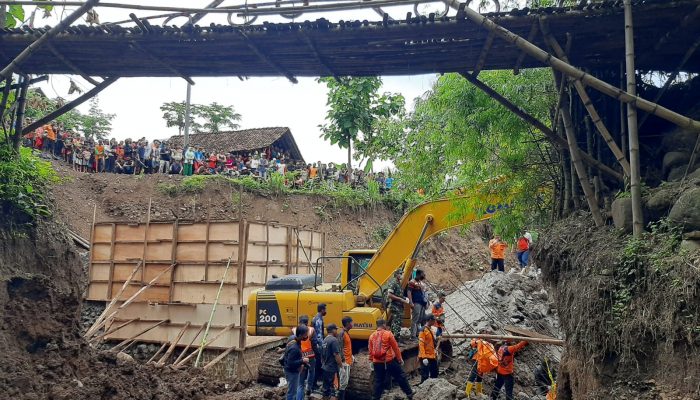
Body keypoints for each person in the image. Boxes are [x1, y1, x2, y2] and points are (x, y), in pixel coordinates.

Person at [368, 319, 413, 400]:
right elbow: (395, 348)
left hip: (377, 362)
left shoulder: (372, 336)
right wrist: (399, 359)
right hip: (388, 361)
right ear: (384, 324)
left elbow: (371, 350)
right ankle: (409, 393)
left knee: (378, 381)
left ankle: (375, 398)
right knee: (400, 376)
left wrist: (371, 360)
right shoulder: (388, 334)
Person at [294, 315, 318, 400]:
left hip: (300, 357)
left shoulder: (294, 330)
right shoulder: (311, 330)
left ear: (299, 322)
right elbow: (315, 344)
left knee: (300, 382)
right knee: (312, 371)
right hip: (311, 356)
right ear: (307, 322)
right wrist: (317, 354)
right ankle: (309, 388)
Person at [465, 329, 495, 399]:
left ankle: (478, 391)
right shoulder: (477, 338)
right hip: (476, 359)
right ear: (481, 333)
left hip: (482, 360)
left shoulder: (486, 340)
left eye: (487, 332)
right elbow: (472, 343)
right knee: (473, 374)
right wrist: (477, 341)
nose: (486, 334)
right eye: (485, 332)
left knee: (480, 375)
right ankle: (467, 392)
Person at [284, 325, 310, 400]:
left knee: (292, 391)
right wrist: (302, 360)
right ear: (300, 335)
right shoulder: (294, 348)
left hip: (292, 370)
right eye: (305, 334)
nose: (306, 336)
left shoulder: (293, 339)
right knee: (292, 393)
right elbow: (290, 363)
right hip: (292, 372)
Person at [386, 269, 410, 339]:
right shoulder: (393, 283)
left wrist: (404, 298)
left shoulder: (398, 283)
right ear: (396, 274)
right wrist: (400, 299)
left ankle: (397, 337)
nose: (401, 275)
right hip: (395, 305)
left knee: (398, 322)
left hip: (399, 305)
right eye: (400, 274)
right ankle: (395, 338)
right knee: (396, 322)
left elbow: (398, 294)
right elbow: (390, 295)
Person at [321, 324, 342, 400]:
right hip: (332, 368)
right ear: (333, 330)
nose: (337, 331)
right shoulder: (334, 340)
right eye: (336, 329)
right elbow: (336, 355)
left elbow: (322, 354)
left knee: (326, 389)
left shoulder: (325, 340)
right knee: (334, 390)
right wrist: (341, 366)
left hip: (325, 367)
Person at [407, 269, 428, 338]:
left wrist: (426, 302)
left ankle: (417, 334)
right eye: (422, 274)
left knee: (420, 319)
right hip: (416, 303)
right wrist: (411, 302)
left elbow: (424, 293)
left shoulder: (421, 283)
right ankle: (413, 336)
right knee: (415, 319)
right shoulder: (412, 282)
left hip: (422, 303)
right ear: (418, 274)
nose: (424, 275)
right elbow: (409, 292)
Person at [418, 314, 438, 383]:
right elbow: (421, 344)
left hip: (432, 355)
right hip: (425, 356)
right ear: (430, 320)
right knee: (425, 375)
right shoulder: (423, 330)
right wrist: (424, 357)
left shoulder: (431, 329)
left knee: (435, 373)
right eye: (434, 320)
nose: (435, 321)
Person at [311, 303, 327, 392]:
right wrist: (322, 346)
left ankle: (314, 383)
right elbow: (318, 335)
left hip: (317, 345)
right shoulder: (318, 320)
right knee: (317, 365)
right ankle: (313, 384)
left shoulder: (318, 318)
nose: (326, 311)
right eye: (325, 309)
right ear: (322, 310)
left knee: (317, 365)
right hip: (317, 346)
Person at [338, 317, 353, 400]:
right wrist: (343, 362)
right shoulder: (342, 334)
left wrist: (352, 357)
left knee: (344, 383)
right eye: (352, 322)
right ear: (348, 324)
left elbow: (346, 347)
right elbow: (339, 348)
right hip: (345, 362)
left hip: (348, 360)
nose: (353, 324)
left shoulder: (346, 333)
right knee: (343, 384)